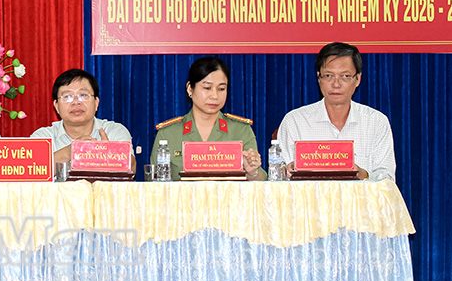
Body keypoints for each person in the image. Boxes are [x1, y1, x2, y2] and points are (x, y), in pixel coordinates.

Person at [278, 42, 395, 181]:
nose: (336, 84)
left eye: (345, 76)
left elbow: (387, 180)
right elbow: (278, 180)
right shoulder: (295, 121)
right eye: (328, 76)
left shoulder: (376, 122)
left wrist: (364, 175)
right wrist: (286, 173)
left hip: (359, 196)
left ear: (358, 79)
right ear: (319, 78)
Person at [150, 57, 265, 181]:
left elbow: (263, 183)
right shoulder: (168, 134)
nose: (214, 96)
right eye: (207, 88)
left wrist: (252, 172)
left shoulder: (241, 130)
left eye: (221, 89)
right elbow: (153, 185)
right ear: (190, 88)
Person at [31, 69, 134, 170]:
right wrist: (74, 150)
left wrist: (109, 154)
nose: (76, 102)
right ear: (56, 106)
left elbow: (132, 168)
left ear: (96, 103)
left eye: (83, 95)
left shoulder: (114, 131)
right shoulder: (43, 138)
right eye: (67, 97)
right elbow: (31, 169)